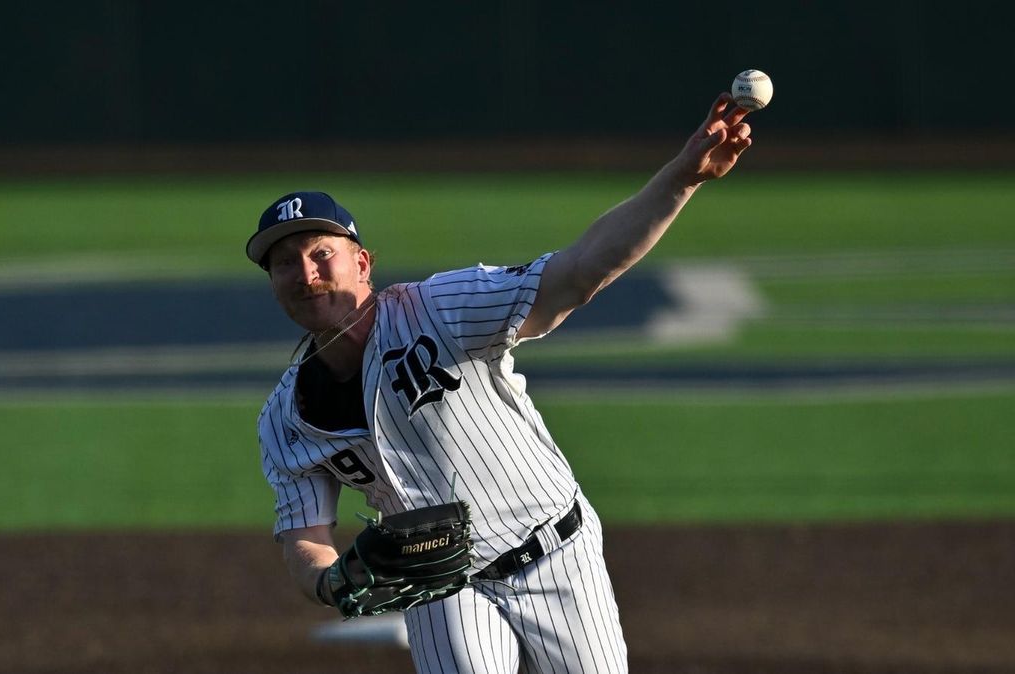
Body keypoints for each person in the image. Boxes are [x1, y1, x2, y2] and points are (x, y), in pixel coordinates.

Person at [248, 93, 754, 673]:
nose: (306, 274)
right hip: (441, 584)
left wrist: (683, 177)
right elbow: (302, 539)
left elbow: (583, 268)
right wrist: (331, 581)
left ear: (362, 264)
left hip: (556, 551)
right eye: (284, 264)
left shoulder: (439, 307)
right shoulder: (286, 418)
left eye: (321, 253)